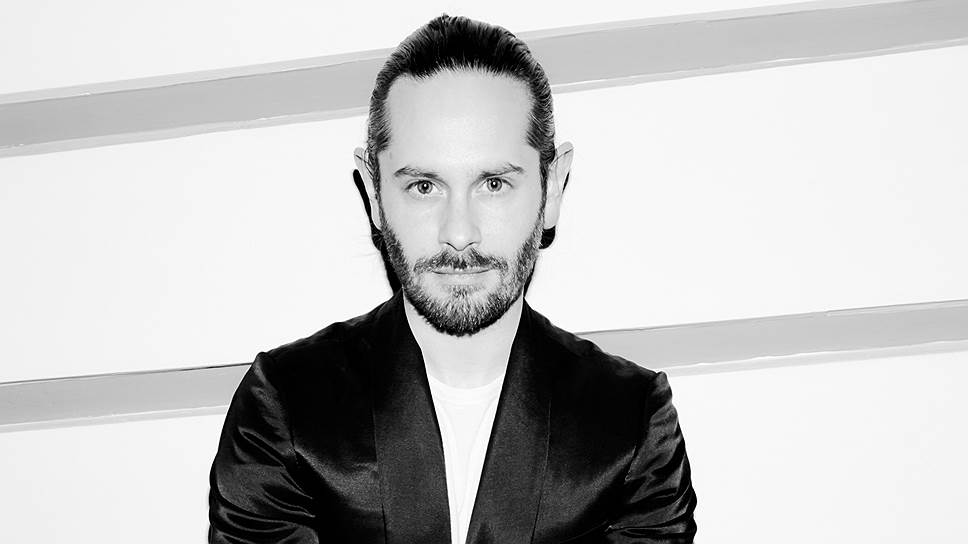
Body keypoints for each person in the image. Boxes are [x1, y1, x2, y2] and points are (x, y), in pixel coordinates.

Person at [209, 14, 697, 544]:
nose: (459, 233)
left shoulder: (629, 424)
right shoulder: (287, 407)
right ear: (374, 195)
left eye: (493, 183)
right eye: (424, 186)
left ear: (552, 188)